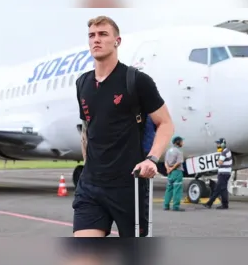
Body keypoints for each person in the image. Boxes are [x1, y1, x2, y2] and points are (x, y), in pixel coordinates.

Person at [73, 15, 175, 237]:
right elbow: (87, 130)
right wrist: (88, 167)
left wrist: (152, 159)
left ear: (117, 41)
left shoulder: (136, 80)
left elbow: (165, 123)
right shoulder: (82, 83)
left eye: (103, 34)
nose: (96, 40)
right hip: (91, 187)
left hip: (130, 186)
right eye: (92, 35)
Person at [203, 138, 232, 210]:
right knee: (223, 189)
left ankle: (209, 203)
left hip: (223, 173)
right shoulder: (227, 151)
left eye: (218, 143)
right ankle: (224, 204)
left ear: (222, 144)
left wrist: (217, 160)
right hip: (226, 173)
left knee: (218, 189)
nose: (217, 145)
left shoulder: (224, 152)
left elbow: (220, 162)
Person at [163, 136, 185, 212]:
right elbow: (178, 163)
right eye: (182, 141)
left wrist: (168, 169)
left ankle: (166, 205)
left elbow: (165, 162)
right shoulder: (179, 152)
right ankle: (176, 206)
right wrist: (172, 168)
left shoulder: (168, 151)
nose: (183, 143)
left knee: (169, 189)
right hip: (177, 172)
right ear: (178, 142)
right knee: (177, 189)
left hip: (170, 172)